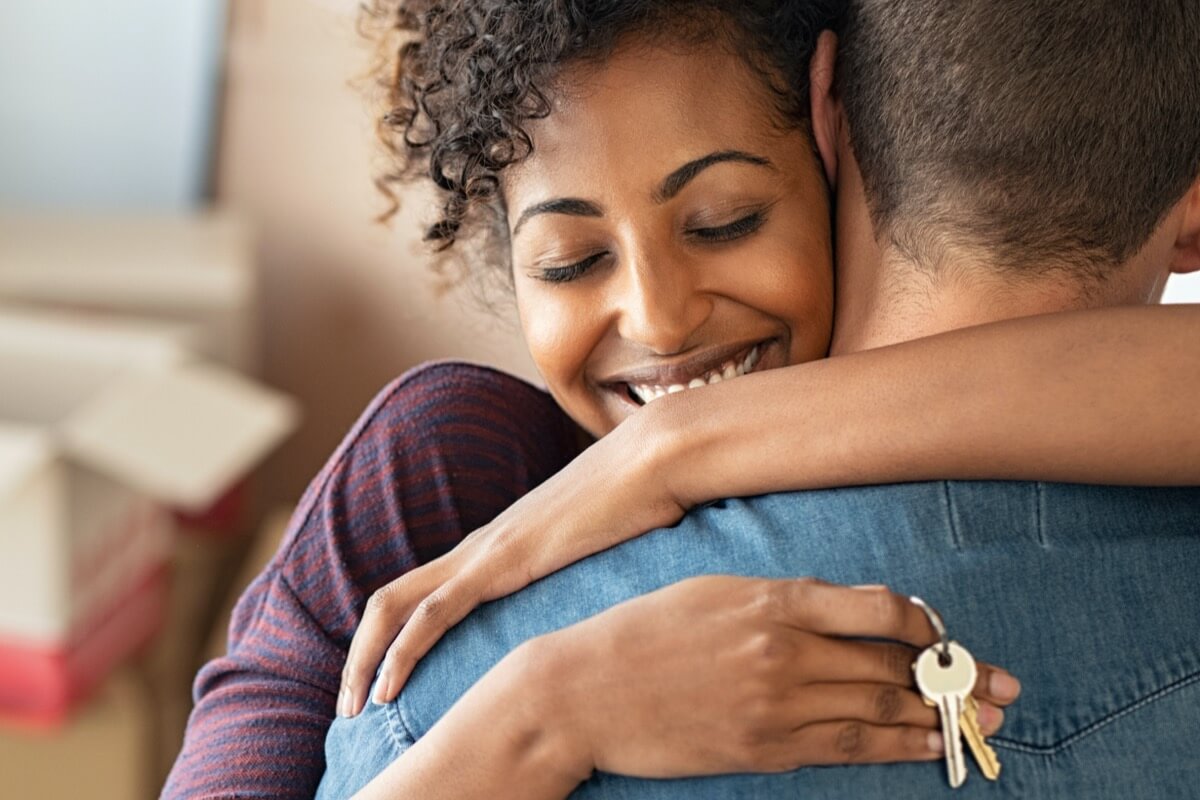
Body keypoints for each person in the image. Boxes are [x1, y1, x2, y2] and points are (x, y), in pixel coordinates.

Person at [162, 0, 1200, 797]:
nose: (660, 319)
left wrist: (680, 445)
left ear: (833, 137)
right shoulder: (439, 471)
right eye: (569, 262)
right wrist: (539, 714)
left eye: (723, 221)